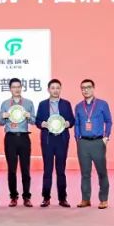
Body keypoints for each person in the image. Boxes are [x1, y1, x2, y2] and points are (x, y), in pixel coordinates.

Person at [35, 79, 76, 208]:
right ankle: (46, 198)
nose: (55, 90)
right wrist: (42, 124)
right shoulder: (42, 104)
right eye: (53, 88)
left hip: (61, 139)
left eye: (58, 88)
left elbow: (72, 120)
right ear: (48, 90)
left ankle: (63, 198)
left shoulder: (66, 104)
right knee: (47, 170)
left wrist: (68, 123)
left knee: (61, 170)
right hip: (48, 139)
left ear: (60, 89)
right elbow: (37, 121)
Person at [74, 79, 112, 209]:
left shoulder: (102, 104)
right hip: (83, 143)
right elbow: (77, 124)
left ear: (93, 88)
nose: (86, 90)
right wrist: (77, 139)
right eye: (83, 88)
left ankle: (103, 199)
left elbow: (108, 121)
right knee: (85, 173)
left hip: (98, 142)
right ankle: (85, 199)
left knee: (102, 172)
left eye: (88, 87)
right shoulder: (79, 106)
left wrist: (106, 136)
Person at [0, 78, 36, 207]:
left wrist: (29, 116)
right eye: (14, 87)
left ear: (21, 88)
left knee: (25, 169)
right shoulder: (5, 104)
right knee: (12, 169)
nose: (16, 89)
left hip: (24, 138)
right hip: (10, 138)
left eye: (18, 87)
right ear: (10, 89)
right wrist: (3, 117)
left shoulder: (28, 103)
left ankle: (26, 197)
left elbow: (34, 121)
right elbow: (0, 122)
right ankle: (13, 197)